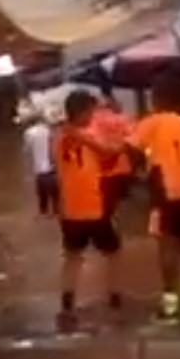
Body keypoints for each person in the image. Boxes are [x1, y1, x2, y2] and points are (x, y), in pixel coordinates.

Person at [133, 73, 180, 320]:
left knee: (166, 246)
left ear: (157, 98)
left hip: (165, 193)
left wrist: (140, 174)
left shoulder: (151, 122)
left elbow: (131, 148)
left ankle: (171, 302)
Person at [53, 90, 123, 321]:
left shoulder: (58, 138)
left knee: (72, 257)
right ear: (82, 112)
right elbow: (109, 151)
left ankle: (67, 302)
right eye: (91, 112)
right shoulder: (86, 137)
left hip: (69, 211)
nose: (93, 116)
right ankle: (114, 296)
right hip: (93, 208)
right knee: (113, 253)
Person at [22, 111, 57, 216]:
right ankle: (55, 210)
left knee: (42, 191)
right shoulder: (48, 130)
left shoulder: (28, 133)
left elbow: (27, 150)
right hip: (51, 166)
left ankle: (43, 210)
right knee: (54, 191)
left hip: (39, 167)